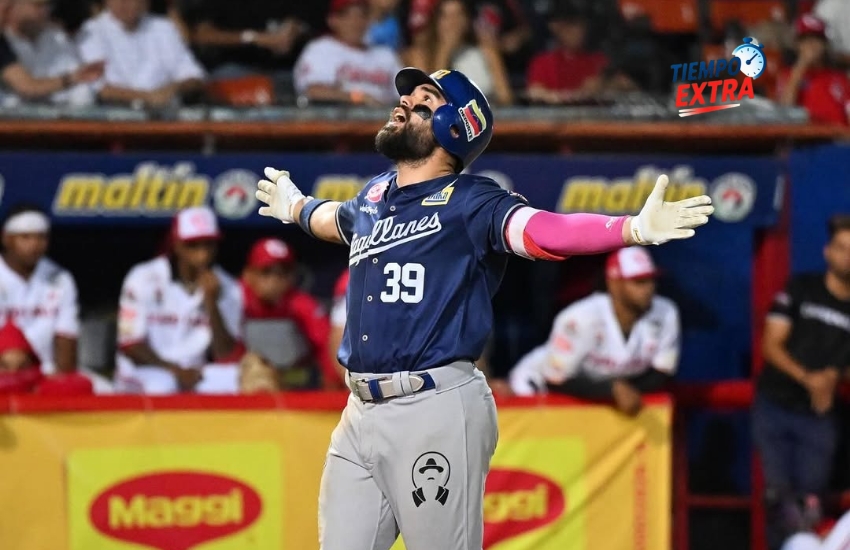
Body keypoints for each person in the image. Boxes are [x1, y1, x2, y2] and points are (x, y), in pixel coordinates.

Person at [254, 66, 714, 550]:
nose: (404, 101)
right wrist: (297, 207)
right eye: (408, 96)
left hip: (432, 404)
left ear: (454, 126)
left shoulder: (472, 201)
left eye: (424, 100)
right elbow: (336, 219)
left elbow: (543, 231)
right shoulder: (374, 195)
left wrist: (629, 229)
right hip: (359, 410)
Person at [754, 214, 850, 549]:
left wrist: (833, 376)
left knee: (810, 502)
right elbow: (771, 344)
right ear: (827, 251)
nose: (847, 257)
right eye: (841, 248)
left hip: (820, 414)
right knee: (778, 498)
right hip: (776, 403)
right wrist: (809, 378)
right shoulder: (801, 289)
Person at [508, 246, 680, 416]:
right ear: (614, 283)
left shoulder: (665, 313)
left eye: (651, 280)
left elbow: (662, 372)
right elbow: (556, 379)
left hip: (607, 395)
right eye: (639, 282)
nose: (649, 288)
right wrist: (611, 389)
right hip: (538, 387)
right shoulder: (581, 318)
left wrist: (621, 390)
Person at [114, 206, 244, 394]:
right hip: (145, 370)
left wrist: (212, 304)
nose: (202, 253)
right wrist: (175, 371)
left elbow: (225, 355)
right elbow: (131, 345)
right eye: (193, 245)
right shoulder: (143, 277)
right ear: (177, 245)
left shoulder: (229, 287)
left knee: (237, 380)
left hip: (195, 371)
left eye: (208, 244)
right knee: (163, 386)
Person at [240, 237, 341, 390]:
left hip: (293, 381)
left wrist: (332, 387)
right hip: (243, 381)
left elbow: (327, 348)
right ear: (248, 274)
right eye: (266, 271)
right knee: (255, 370)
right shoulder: (236, 298)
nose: (275, 279)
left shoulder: (301, 304)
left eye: (283, 272)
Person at [76, 0, 206, 108]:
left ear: (146, 3)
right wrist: (148, 97)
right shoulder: (91, 31)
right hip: (112, 118)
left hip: (164, 117)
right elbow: (100, 89)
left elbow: (194, 78)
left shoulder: (164, 28)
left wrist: (174, 89)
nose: (123, 3)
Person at [0, 205, 80, 376]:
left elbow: (66, 338)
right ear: (6, 238)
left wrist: (60, 380)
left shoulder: (60, 278)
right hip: (3, 374)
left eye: (41, 237)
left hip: (45, 374)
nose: (34, 245)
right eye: (25, 237)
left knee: (97, 386)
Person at [777, 14, 850, 126]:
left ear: (824, 45)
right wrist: (801, 66)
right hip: (805, 134)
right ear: (797, 45)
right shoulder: (788, 75)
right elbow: (785, 109)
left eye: (816, 39)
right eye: (805, 40)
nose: (811, 45)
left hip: (838, 134)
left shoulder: (839, 78)